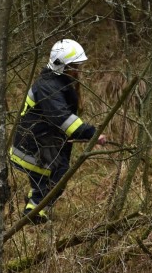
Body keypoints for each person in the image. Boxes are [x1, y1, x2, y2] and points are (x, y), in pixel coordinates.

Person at [9, 38, 106, 224]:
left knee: (51, 177)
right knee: (55, 176)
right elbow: (63, 119)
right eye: (74, 66)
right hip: (33, 144)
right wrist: (91, 134)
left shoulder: (56, 82)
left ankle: (34, 206)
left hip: (42, 140)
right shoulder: (48, 88)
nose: (78, 71)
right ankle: (35, 213)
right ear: (61, 66)